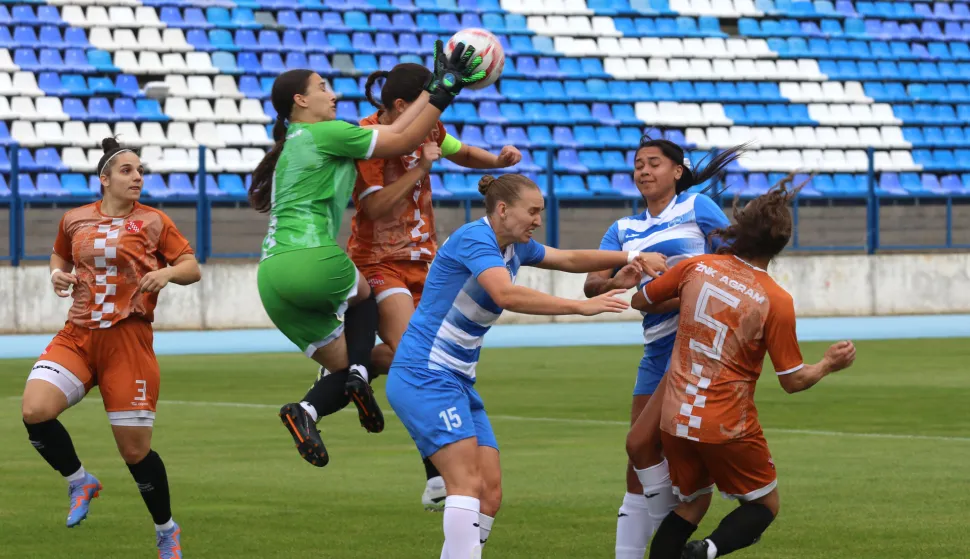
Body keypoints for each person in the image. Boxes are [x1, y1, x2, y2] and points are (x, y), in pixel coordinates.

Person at [386, 173, 669, 559]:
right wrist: (580, 307)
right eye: (532, 211)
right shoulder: (476, 238)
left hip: (457, 379)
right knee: (466, 483)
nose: (538, 219)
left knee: (490, 491)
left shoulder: (514, 247)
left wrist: (630, 257)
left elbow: (568, 258)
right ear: (502, 210)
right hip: (425, 373)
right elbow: (506, 293)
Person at [250, 42, 487, 468]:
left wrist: (430, 90)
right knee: (362, 295)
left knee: (348, 362)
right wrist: (446, 91)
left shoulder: (297, 141)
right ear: (302, 100)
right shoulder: (328, 132)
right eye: (323, 87)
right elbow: (403, 138)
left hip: (271, 278)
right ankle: (362, 378)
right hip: (311, 257)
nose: (333, 94)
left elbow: (396, 126)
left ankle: (305, 412)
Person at [630, 176, 857, 559]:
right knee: (764, 505)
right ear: (781, 244)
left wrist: (678, 301)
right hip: (726, 423)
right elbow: (792, 381)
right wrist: (828, 364)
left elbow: (641, 300)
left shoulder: (696, 267)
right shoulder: (776, 300)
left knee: (691, 505)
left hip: (676, 416)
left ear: (738, 229)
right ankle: (706, 551)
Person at [349, 62, 523, 510]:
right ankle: (435, 472)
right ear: (405, 106)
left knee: (436, 359)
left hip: (426, 263)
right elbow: (374, 209)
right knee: (415, 354)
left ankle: (351, 364)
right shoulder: (366, 138)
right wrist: (418, 169)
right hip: (379, 262)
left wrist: (495, 162)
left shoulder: (429, 125)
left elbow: (455, 150)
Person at [21, 138, 202, 558]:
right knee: (34, 411)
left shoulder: (154, 222)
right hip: (78, 336)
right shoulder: (75, 219)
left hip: (128, 342)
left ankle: (166, 529)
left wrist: (168, 273)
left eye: (140, 171)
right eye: (127, 171)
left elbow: (192, 268)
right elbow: (58, 258)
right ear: (104, 180)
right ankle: (79, 480)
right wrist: (56, 277)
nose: (137, 177)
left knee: (134, 452)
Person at [582, 137, 747, 559]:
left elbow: (734, 268)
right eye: (638, 164)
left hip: (700, 349)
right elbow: (591, 284)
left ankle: (673, 537)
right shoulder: (623, 229)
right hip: (657, 349)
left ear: (677, 171)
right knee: (638, 460)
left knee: (653, 449)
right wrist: (619, 280)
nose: (643, 171)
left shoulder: (696, 208)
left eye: (653, 163)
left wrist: (669, 294)